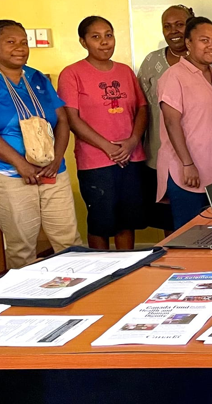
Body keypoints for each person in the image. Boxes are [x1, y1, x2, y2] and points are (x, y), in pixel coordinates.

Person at [0, 20, 82, 268]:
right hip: (11, 174)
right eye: (11, 42)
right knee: (22, 246)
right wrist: (20, 164)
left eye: (24, 42)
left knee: (69, 241)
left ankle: (79, 292)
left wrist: (58, 158)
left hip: (51, 170)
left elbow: (62, 120)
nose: (20, 48)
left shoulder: (36, 77)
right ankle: (26, 301)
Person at [138, 4, 212, 234]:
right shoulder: (174, 76)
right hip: (187, 172)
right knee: (189, 237)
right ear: (188, 43)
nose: (211, 45)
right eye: (204, 40)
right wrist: (188, 164)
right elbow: (171, 123)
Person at [58, 16, 148, 250]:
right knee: (101, 222)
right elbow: (72, 118)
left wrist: (132, 142)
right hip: (96, 162)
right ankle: (102, 275)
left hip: (131, 157)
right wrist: (109, 148)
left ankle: (127, 269)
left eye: (109, 35)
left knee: (126, 220)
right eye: (95, 37)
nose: (104, 42)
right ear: (83, 41)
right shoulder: (72, 73)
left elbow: (141, 108)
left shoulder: (125, 71)